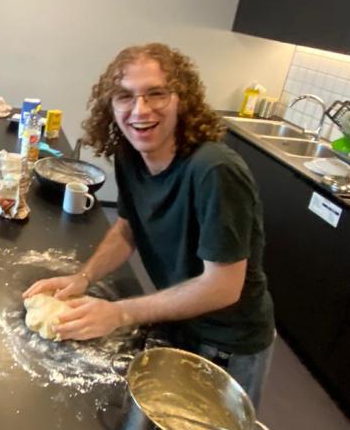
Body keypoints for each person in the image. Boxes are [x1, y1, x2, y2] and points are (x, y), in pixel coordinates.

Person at [23, 43, 275, 407]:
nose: (140, 110)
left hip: (227, 344)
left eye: (156, 93)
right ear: (111, 106)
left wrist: (121, 313)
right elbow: (128, 226)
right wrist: (83, 278)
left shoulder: (214, 171)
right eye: (125, 97)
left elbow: (222, 287)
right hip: (176, 319)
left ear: (182, 100)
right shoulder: (131, 154)